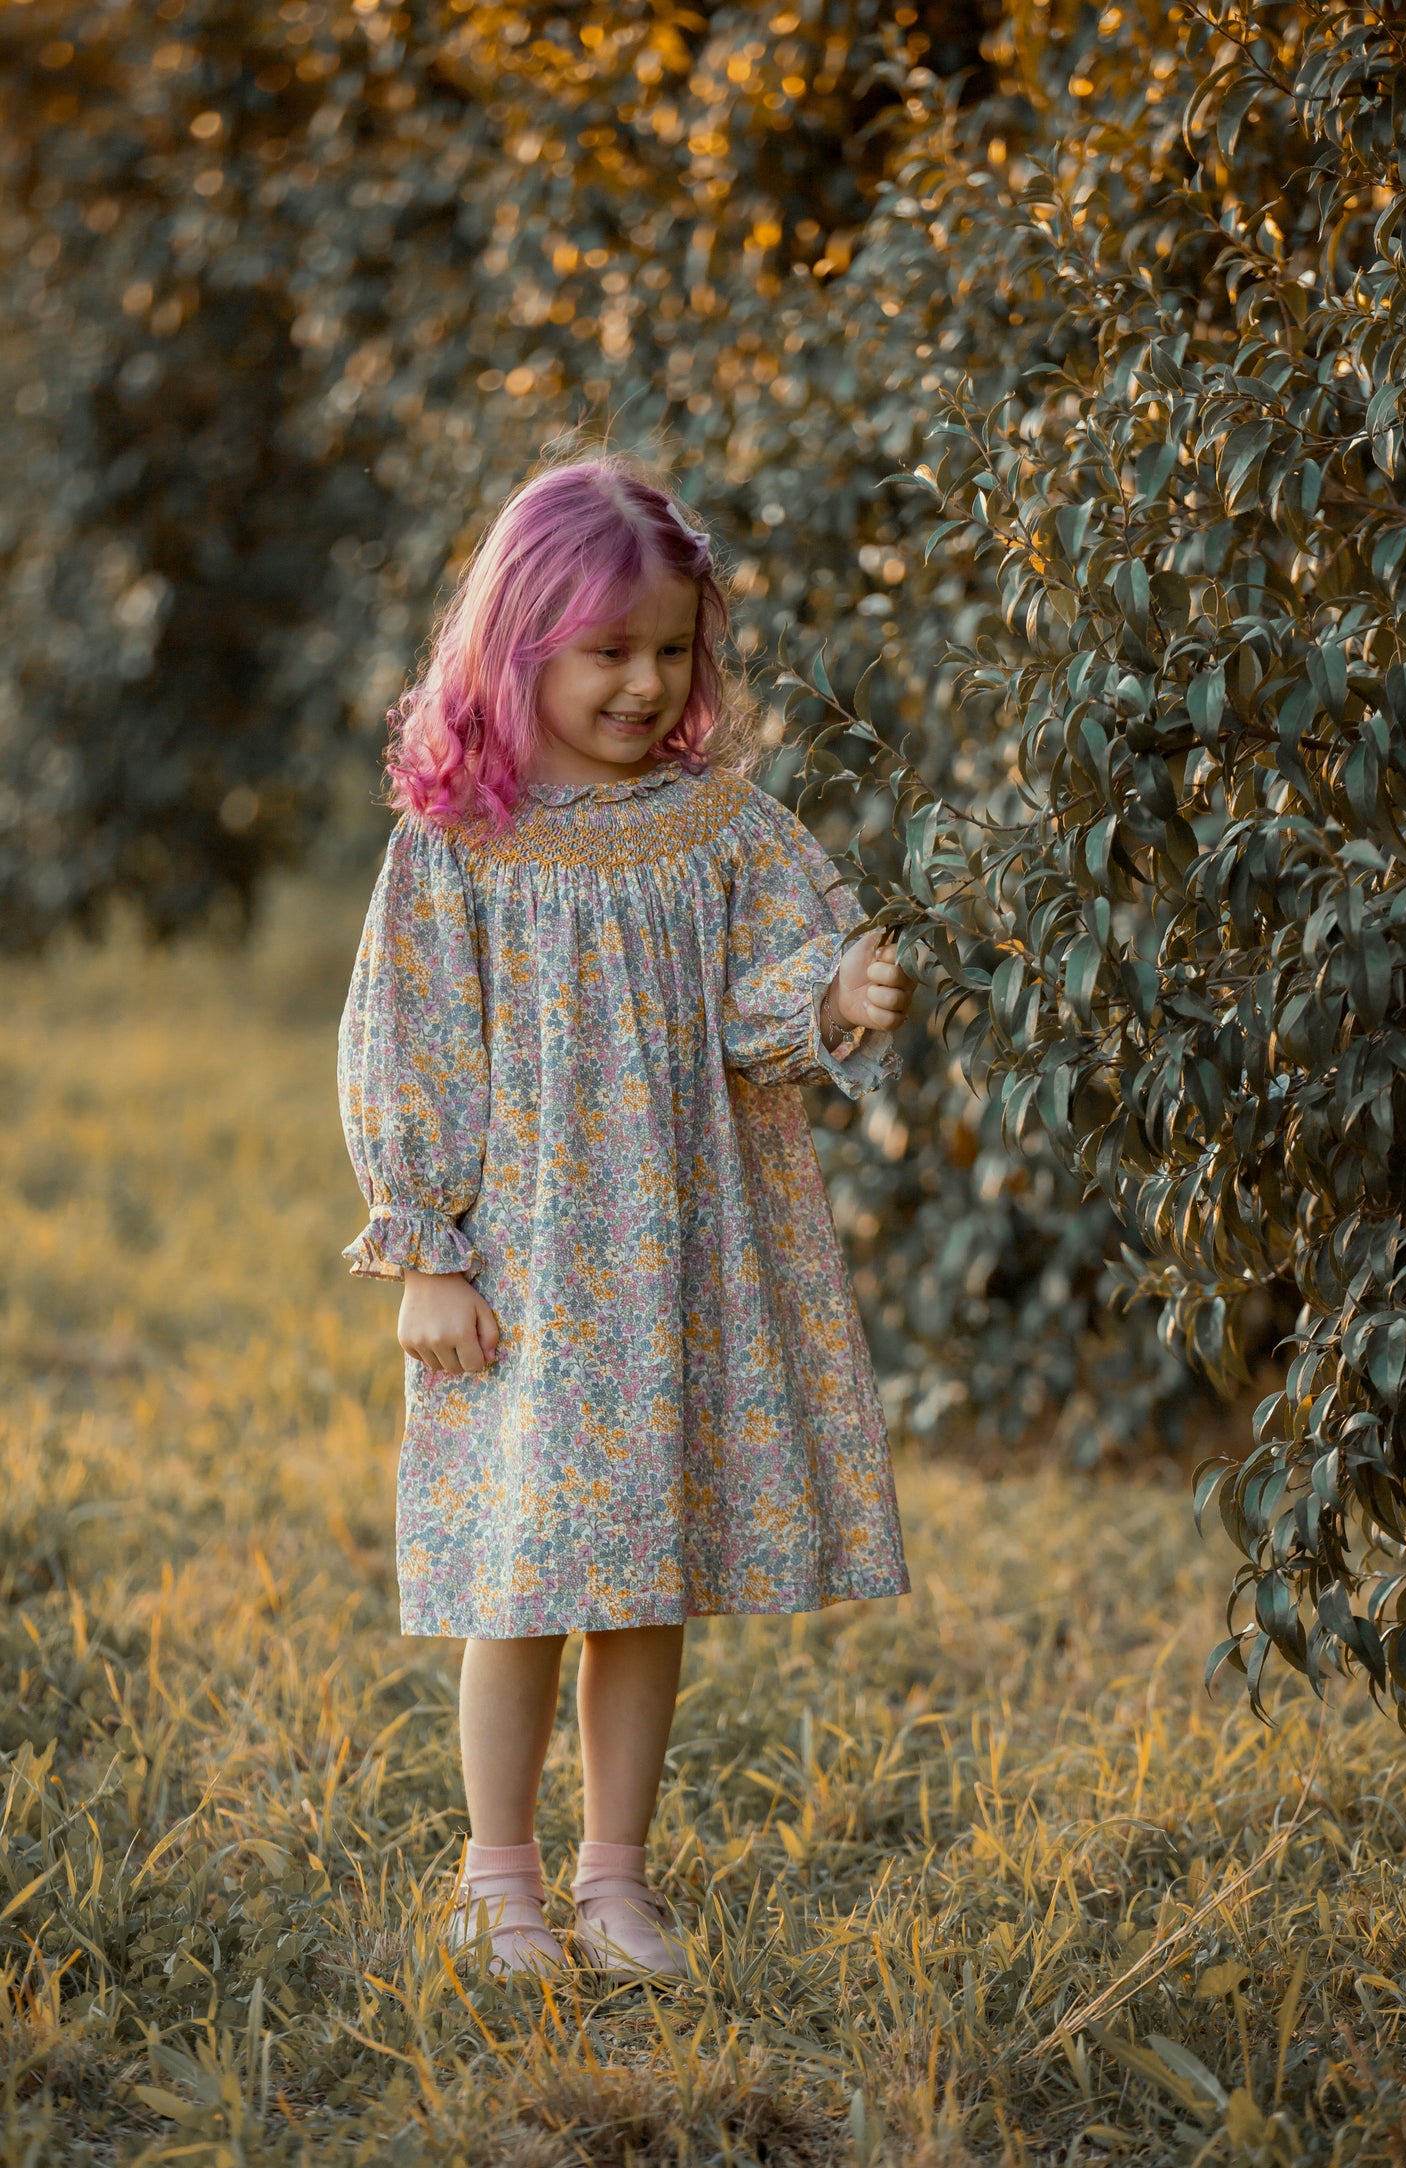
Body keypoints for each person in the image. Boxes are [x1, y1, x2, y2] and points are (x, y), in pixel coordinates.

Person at [338, 453, 913, 1983]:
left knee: (642, 1575)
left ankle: (613, 1878)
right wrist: (425, 1250)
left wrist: (832, 993)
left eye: (673, 649)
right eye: (609, 651)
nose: (646, 683)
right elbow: (409, 1046)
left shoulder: (719, 829)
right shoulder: (457, 846)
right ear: (518, 647)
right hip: (526, 1274)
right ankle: (497, 1876)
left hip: (675, 1271)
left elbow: (765, 996)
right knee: (522, 1579)